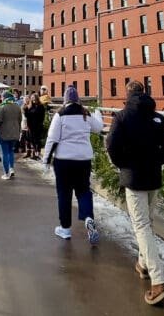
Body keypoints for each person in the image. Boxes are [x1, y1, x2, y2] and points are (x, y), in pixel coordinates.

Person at [105, 80, 164, 306]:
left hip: (134, 179)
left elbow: (111, 145)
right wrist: (156, 161)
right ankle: (144, 264)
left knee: (141, 225)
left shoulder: (122, 117)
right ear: (144, 93)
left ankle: (158, 281)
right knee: (147, 223)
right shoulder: (156, 117)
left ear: (127, 94)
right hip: (153, 177)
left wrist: (123, 164)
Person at [42, 85, 104, 244]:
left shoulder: (60, 114)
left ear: (65, 100)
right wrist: (98, 114)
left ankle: (65, 228)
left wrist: (46, 160)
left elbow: (52, 139)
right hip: (83, 159)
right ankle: (88, 218)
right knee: (83, 190)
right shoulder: (85, 113)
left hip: (64, 160)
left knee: (64, 194)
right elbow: (98, 128)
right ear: (78, 99)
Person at [0, 90, 23, 180]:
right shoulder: (17, 106)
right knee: (11, 152)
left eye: (2, 97)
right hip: (14, 133)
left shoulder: (1, 106)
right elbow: (20, 120)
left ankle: (6, 173)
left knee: (5, 153)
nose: (1, 98)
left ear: (5, 97)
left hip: (4, 133)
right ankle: (11, 169)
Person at [24, 93, 46, 160]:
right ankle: (34, 154)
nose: (33, 99)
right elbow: (27, 115)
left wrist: (39, 124)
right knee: (32, 140)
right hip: (31, 126)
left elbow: (42, 117)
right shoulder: (30, 106)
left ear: (37, 98)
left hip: (37, 126)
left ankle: (37, 154)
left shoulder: (40, 106)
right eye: (32, 98)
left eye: (34, 98)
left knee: (37, 140)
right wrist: (26, 109)